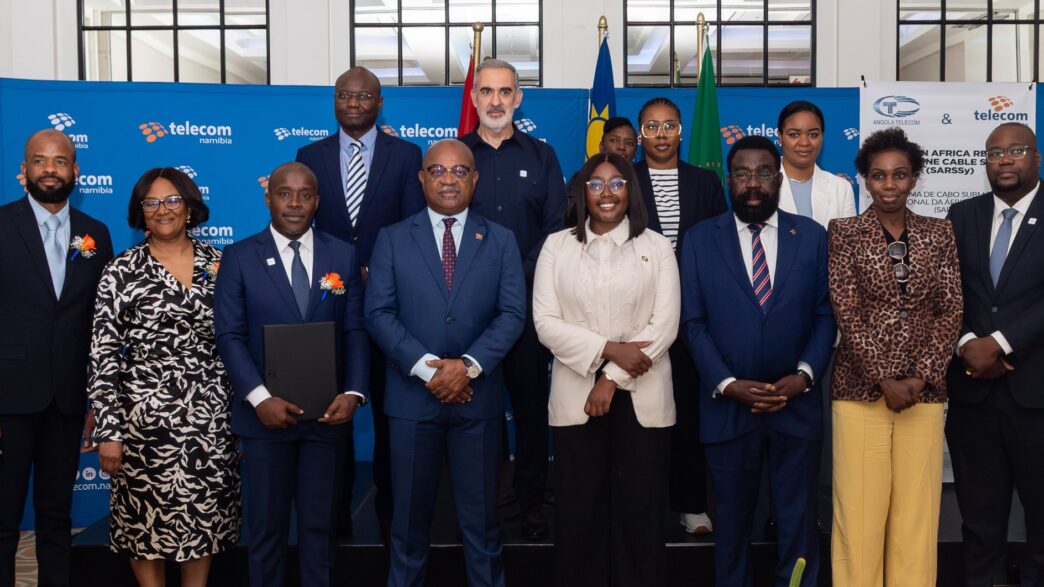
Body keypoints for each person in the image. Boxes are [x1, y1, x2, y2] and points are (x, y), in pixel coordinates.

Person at [365, 139, 525, 587]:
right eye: (437, 171)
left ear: (475, 179)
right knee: (408, 526)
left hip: (478, 402)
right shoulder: (392, 238)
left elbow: (512, 314)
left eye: (459, 171)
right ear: (422, 179)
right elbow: (378, 314)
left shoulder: (501, 240)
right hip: (412, 403)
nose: (448, 179)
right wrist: (428, 369)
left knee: (482, 525)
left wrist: (467, 366)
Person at [681, 135, 836, 587]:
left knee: (799, 523)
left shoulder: (812, 236)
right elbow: (692, 322)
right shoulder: (699, 239)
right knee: (731, 529)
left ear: (778, 179)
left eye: (764, 173)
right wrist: (727, 383)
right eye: (743, 173)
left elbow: (826, 315)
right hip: (728, 407)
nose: (753, 183)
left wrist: (804, 376)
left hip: (796, 405)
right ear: (728, 180)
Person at [214, 162, 368, 587]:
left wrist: (354, 392)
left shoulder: (343, 254)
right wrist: (259, 399)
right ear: (268, 198)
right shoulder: (239, 257)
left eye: (305, 195)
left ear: (317, 201)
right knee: (267, 531)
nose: (295, 203)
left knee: (321, 529)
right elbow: (229, 335)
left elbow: (355, 330)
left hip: (327, 418)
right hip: (264, 422)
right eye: (285, 193)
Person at [88, 167, 240, 586]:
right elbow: (103, 355)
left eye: (172, 200)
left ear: (189, 206)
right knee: (144, 526)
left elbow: (239, 340)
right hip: (143, 426)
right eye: (151, 202)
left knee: (203, 523)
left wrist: (241, 418)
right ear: (141, 212)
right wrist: (109, 430)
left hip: (211, 421)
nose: (163, 209)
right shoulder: (122, 270)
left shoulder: (221, 264)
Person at [533, 152, 679, 586]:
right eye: (595, 184)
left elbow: (664, 326)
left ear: (631, 191)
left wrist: (610, 380)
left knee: (641, 514)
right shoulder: (557, 246)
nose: (606, 193)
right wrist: (610, 350)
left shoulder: (656, 245)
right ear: (582, 193)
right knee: (580, 515)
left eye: (617, 183)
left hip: (644, 397)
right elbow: (546, 323)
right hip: (575, 397)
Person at [828, 127, 962, 586]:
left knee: (916, 519)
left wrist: (920, 378)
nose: (889, 184)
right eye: (879, 175)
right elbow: (846, 310)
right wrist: (884, 377)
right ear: (865, 180)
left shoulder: (940, 232)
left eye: (899, 174)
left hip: (924, 395)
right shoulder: (844, 232)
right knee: (859, 518)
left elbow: (951, 309)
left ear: (914, 179)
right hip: (859, 391)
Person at [296, 65, 424, 539]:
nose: (353, 103)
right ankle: (333, 525)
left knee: (393, 419)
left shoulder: (406, 155)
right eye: (344, 95)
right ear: (334, 100)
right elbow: (303, 228)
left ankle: (393, 521)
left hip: (390, 308)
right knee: (331, 418)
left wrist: (379, 270)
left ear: (379, 102)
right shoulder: (310, 155)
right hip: (328, 309)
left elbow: (412, 227)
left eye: (363, 96)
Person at [0, 129, 113, 587]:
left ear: (75, 171)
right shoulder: (1, 224)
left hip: (67, 401)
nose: (50, 169)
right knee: (3, 517)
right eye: (40, 161)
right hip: (8, 399)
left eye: (60, 161)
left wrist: (97, 401)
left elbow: (101, 325)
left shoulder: (95, 233)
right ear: (23, 170)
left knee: (55, 516)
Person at [459, 58, 566, 540]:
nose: (496, 101)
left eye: (505, 92)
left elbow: (556, 229)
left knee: (529, 408)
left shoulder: (542, 156)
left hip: (526, 306)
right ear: (474, 98)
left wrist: (512, 275)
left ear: (518, 98)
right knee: (477, 412)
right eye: (487, 92)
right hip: (467, 310)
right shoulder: (456, 156)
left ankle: (530, 503)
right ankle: (485, 502)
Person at [946, 121, 1044, 585]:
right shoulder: (961, 215)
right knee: (980, 523)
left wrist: (1001, 343)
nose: (1004, 160)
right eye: (994, 153)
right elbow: (945, 293)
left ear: (1036, 158)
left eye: (1016, 150)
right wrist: (968, 344)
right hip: (973, 397)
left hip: (1036, 396)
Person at [634, 96, 726, 535]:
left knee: (688, 414)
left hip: (691, 317)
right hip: (636, 315)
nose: (661, 135)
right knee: (640, 418)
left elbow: (720, 245)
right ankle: (644, 507)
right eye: (651, 127)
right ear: (640, 134)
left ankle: (691, 504)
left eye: (669, 125)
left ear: (681, 131)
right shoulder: (626, 179)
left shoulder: (704, 182)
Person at [776, 100, 857, 226]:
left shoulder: (841, 188)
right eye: (794, 134)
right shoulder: (763, 184)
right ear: (780, 137)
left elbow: (848, 238)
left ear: (822, 137)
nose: (804, 142)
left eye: (813, 134)